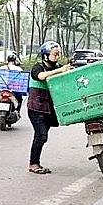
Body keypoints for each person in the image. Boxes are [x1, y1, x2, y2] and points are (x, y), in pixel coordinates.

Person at [27, 41, 70, 174]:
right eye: (54, 55)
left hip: (49, 109)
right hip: (36, 108)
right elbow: (40, 76)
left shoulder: (57, 66)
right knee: (41, 136)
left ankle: (34, 162)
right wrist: (59, 71)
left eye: (58, 55)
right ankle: (33, 164)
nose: (57, 57)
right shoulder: (38, 67)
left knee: (42, 136)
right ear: (45, 55)